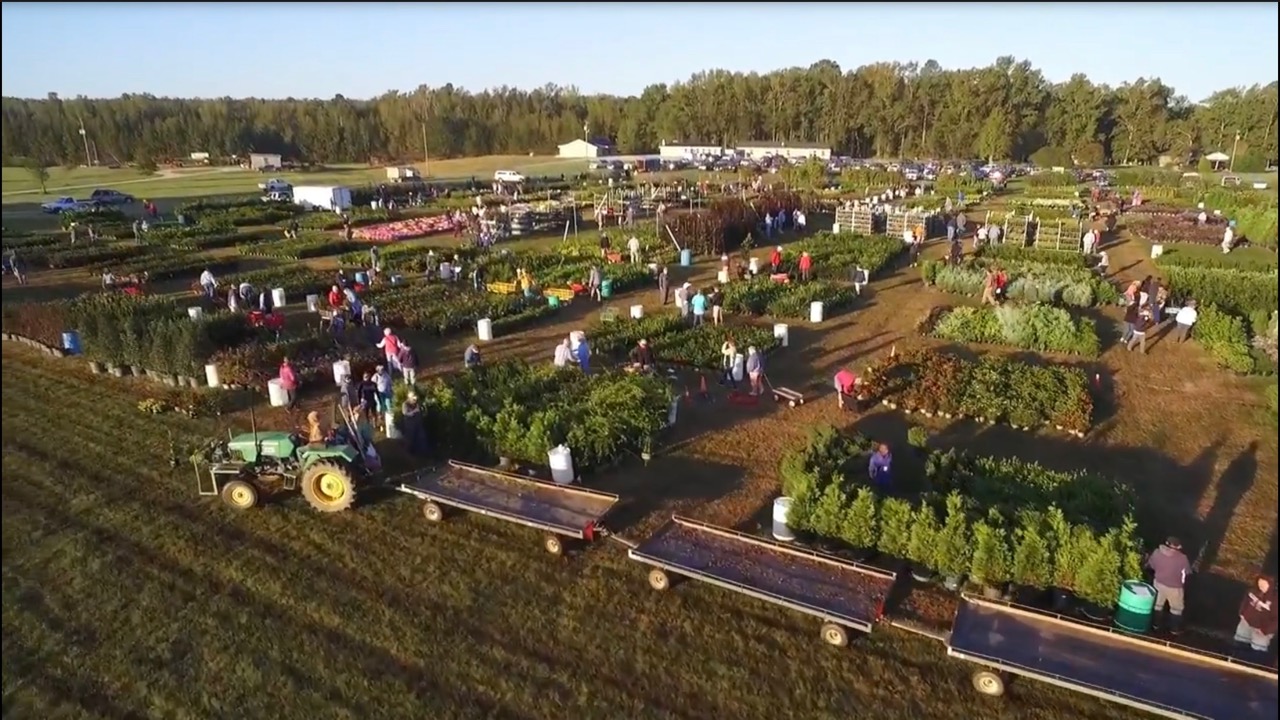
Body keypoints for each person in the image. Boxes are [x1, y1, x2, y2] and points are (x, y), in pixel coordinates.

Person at [1146, 536, 1191, 634]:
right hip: (1175, 588)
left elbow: (1151, 565)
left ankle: (1155, 625)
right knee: (1176, 609)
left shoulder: (1157, 552)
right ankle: (1174, 629)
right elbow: (1186, 572)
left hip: (1158, 584)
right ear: (1178, 547)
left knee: (1157, 606)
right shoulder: (1182, 558)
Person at [1235, 575, 1278, 655]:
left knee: (1257, 651)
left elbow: (1276, 620)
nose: (1261, 586)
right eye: (1259, 583)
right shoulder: (1252, 592)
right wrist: (1242, 613)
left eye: (1264, 584)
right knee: (1240, 644)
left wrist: (1265, 630)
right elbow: (1245, 602)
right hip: (1246, 624)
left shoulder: (1275, 600)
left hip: (1261, 630)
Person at [401, 391, 428, 457]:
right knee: (410, 439)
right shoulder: (405, 404)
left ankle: (422, 453)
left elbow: (422, 411)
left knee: (421, 437)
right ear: (409, 398)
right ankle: (408, 454)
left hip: (418, 423)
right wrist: (415, 411)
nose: (415, 399)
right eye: (413, 397)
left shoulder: (417, 403)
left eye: (415, 397)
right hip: (410, 425)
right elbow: (405, 413)